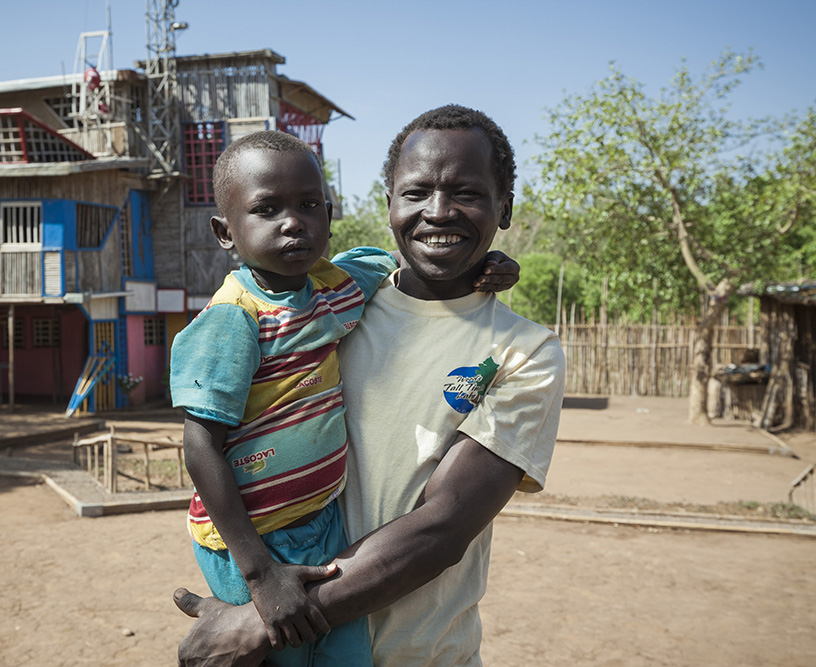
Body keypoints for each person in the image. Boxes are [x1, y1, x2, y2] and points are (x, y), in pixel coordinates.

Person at [172, 105, 566, 667]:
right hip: (285, 614)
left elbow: (443, 526)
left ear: (504, 209)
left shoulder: (524, 352)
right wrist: (260, 596)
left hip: (418, 652)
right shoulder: (335, 305)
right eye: (416, 192)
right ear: (389, 207)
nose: (438, 211)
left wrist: (259, 623)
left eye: (468, 194)